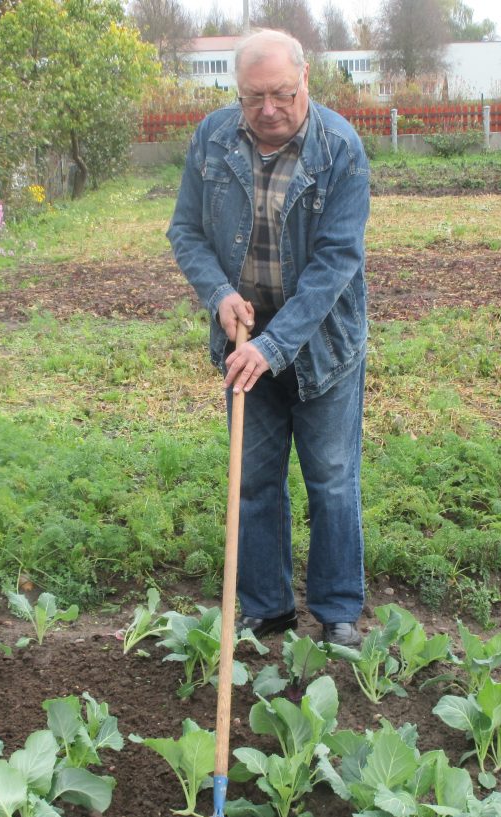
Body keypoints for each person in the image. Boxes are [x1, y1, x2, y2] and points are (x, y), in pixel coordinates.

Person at [167, 28, 370, 648]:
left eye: (281, 93)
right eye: (253, 97)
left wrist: (275, 347)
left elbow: (337, 262)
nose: (268, 109)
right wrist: (220, 296)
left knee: (331, 479)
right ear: (238, 93)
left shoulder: (339, 148)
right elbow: (186, 233)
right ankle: (267, 607)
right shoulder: (213, 139)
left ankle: (336, 610)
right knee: (254, 481)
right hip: (242, 342)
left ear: (305, 80)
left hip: (322, 347)